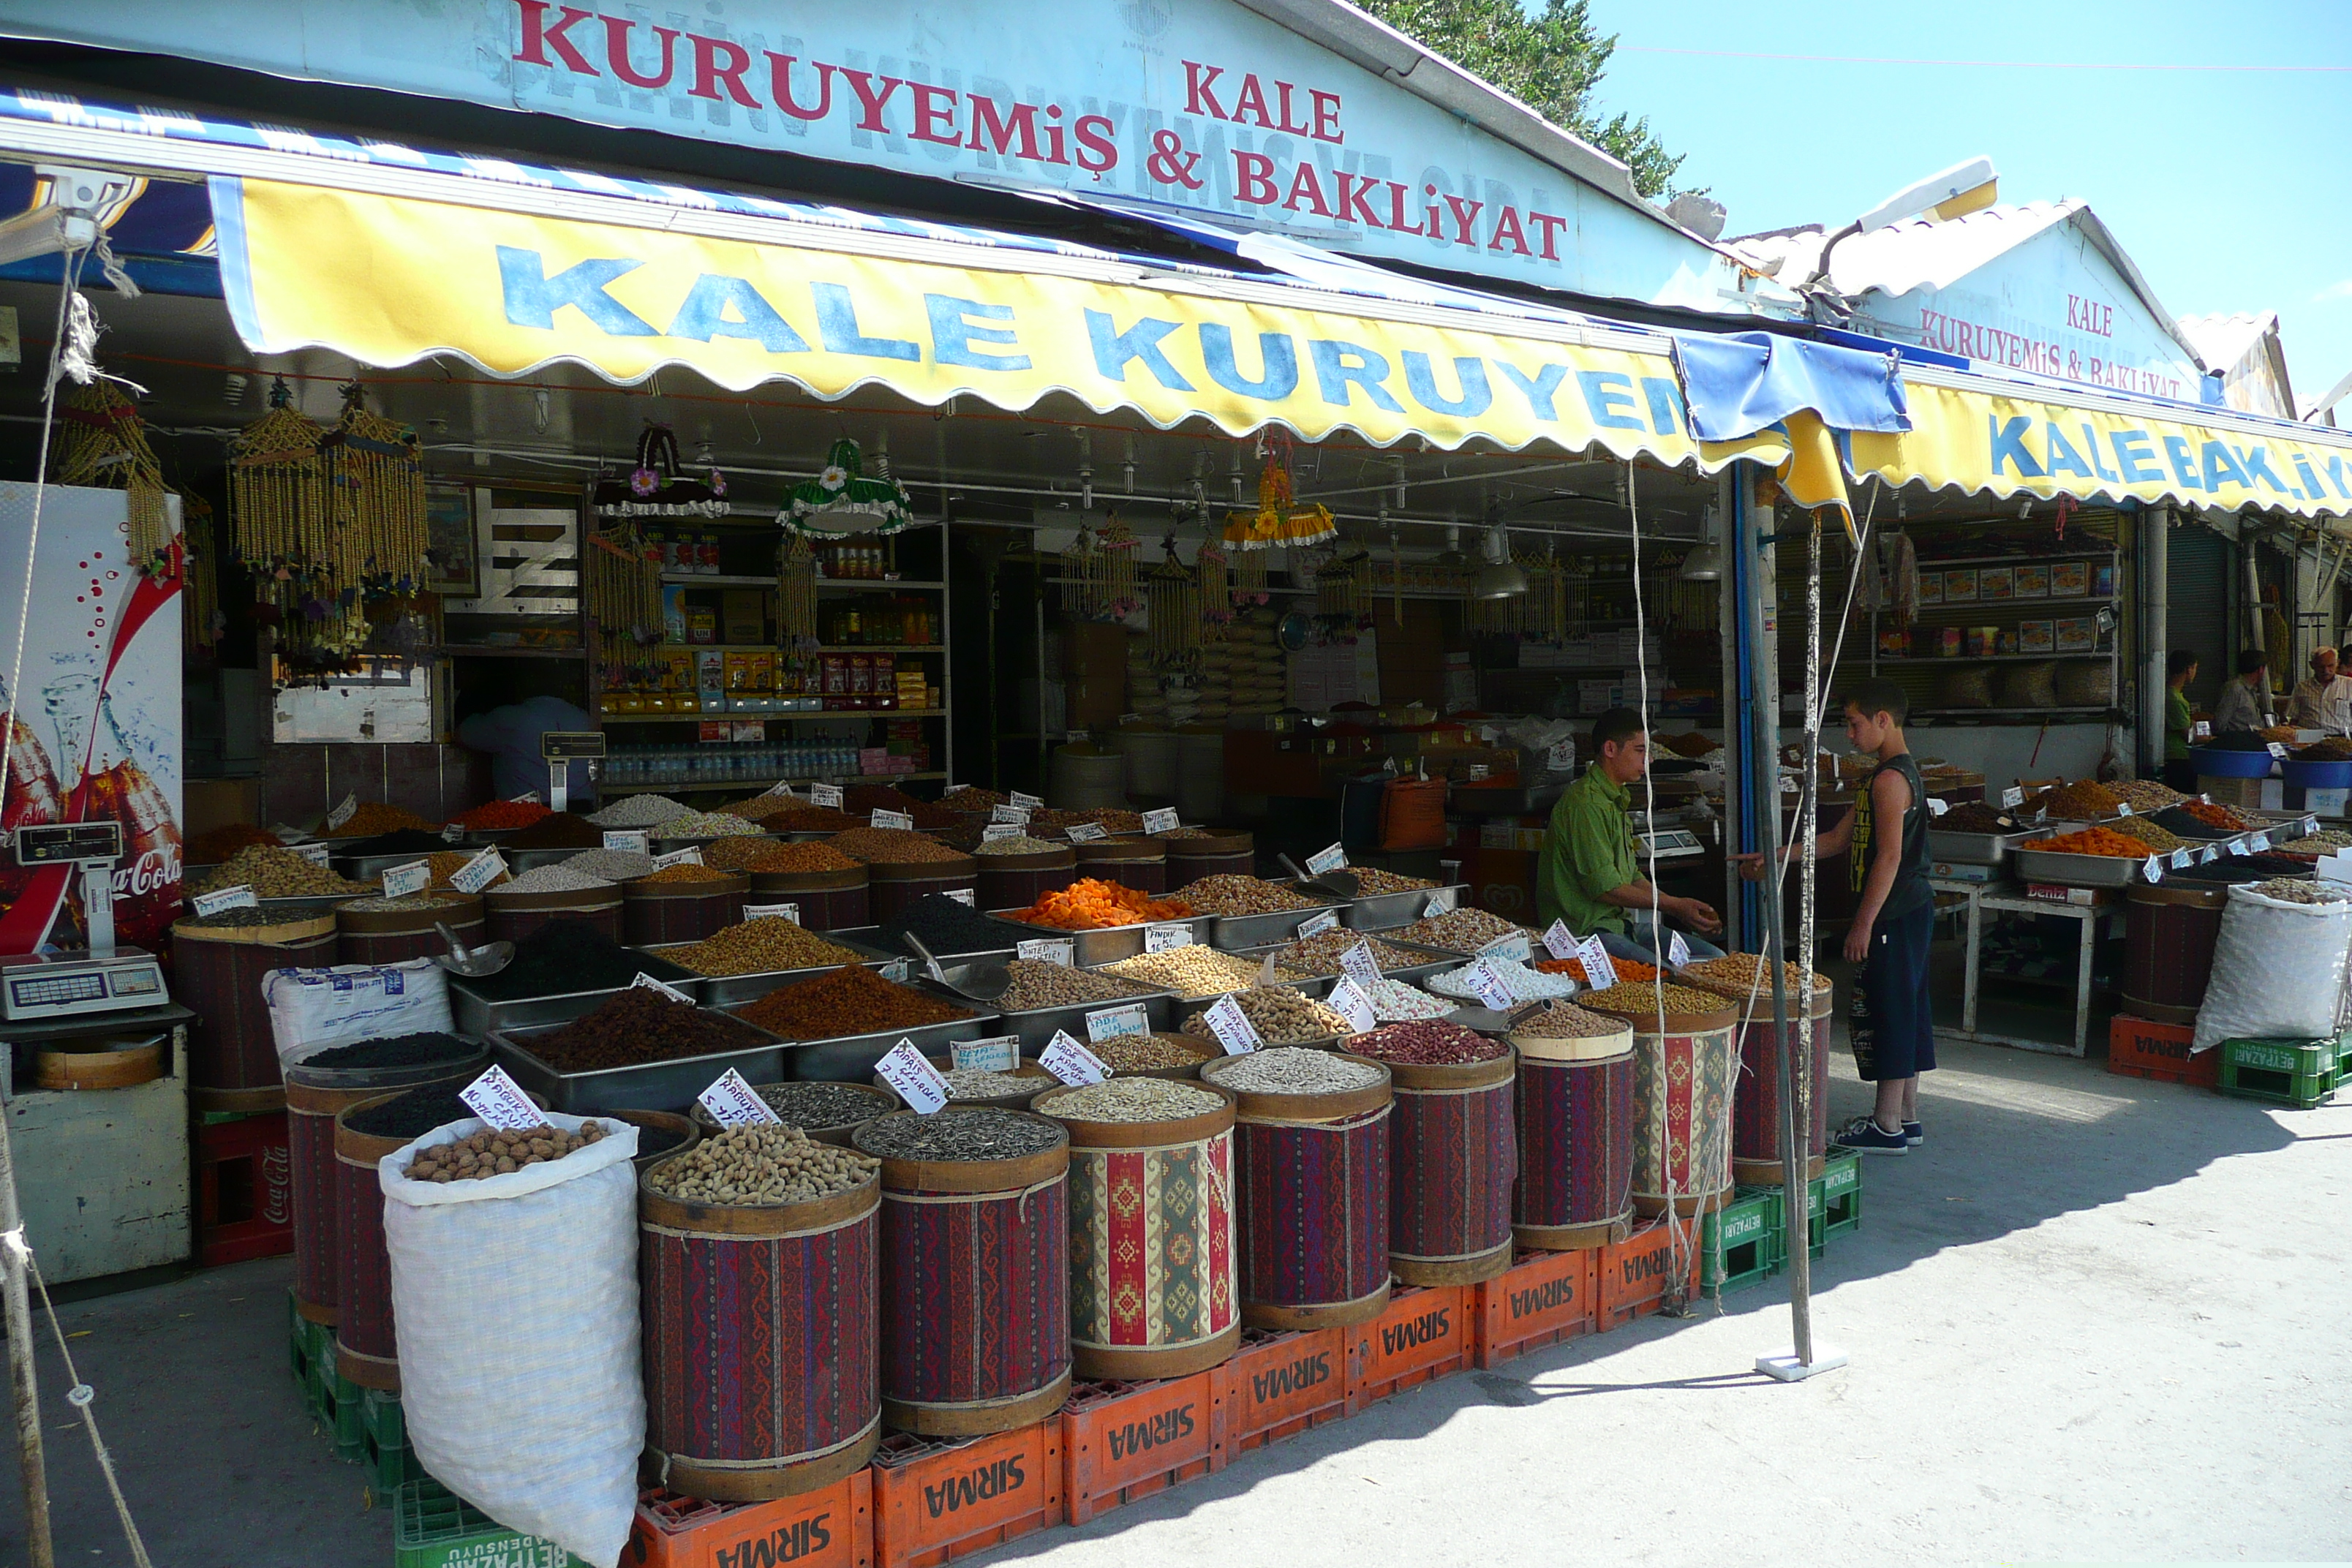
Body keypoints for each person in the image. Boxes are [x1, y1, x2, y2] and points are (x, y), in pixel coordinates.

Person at [1736, 677, 1931, 1155]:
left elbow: (1887, 858)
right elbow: (1836, 840)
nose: (1850, 734)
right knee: (1906, 1004)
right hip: (1905, 909)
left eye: (1854, 723)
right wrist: (1777, 854)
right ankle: (1906, 1116)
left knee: (1891, 1009)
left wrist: (1863, 923)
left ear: (1883, 720)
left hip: (1895, 911)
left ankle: (1886, 1124)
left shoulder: (1890, 781)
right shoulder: (1883, 775)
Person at [1535, 706, 1726, 965]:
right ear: (1611, 749)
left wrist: (1679, 906)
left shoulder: (1614, 798)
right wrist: (1672, 905)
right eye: (1640, 750)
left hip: (1621, 925)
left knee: (1715, 960)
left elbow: (1631, 876)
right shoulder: (1586, 804)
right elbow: (1607, 889)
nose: (1649, 760)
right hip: (1587, 932)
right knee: (1666, 974)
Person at [456, 693, 595, 803]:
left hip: (525, 815)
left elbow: (463, 734)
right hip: (582, 810)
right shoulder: (582, 717)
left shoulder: (511, 718)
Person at [2210, 648, 2273, 736]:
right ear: (2260, 670)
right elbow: (2220, 723)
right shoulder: (2234, 689)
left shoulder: (2251, 690)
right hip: (2237, 741)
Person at [2290, 647, 2352, 735]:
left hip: (2340, 738)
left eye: (2330, 666)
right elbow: (2293, 718)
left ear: (2337, 663)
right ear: (2312, 665)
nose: (2326, 670)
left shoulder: (2349, 685)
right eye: (2321, 667)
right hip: (2308, 738)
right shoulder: (2301, 687)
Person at [2163, 650, 2200, 794]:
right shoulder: (2173, 699)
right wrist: (2211, 739)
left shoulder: (2176, 696)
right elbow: (2188, 736)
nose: (2195, 672)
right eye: (2195, 668)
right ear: (2188, 669)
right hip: (2177, 759)